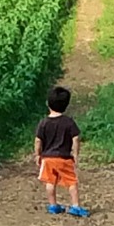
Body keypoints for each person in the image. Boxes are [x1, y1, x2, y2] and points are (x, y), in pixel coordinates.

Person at [34, 85, 89, 217]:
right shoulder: (68, 122)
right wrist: (75, 154)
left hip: (47, 158)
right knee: (71, 182)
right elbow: (76, 138)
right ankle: (75, 206)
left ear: (48, 103)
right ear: (66, 105)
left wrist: (38, 155)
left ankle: (53, 205)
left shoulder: (43, 122)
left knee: (50, 182)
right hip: (64, 158)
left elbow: (38, 140)